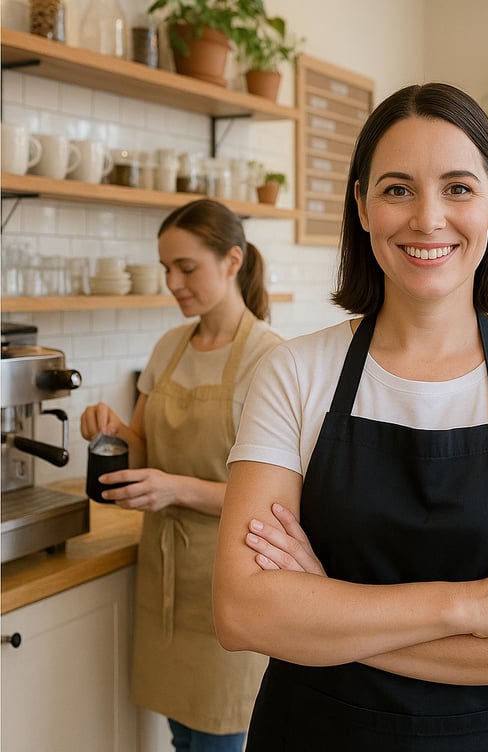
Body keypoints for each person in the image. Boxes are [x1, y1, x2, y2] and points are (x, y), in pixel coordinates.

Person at [212, 83, 488, 751]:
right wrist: (479, 607)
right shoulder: (293, 373)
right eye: (397, 189)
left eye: (458, 188)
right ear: (362, 205)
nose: (427, 218)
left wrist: (326, 606)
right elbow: (242, 612)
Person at [80, 199, 282, 752]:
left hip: (232, 577)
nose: (173, 282)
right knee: (182, 738)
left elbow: (281, 499)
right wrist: (111, 428)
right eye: (166, 268)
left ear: (232, 261)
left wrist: (177, 488)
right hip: (165, 572)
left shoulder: (270, 358)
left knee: (220, 737)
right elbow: (143, 446)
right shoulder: (169, 346)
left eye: (186, 268)